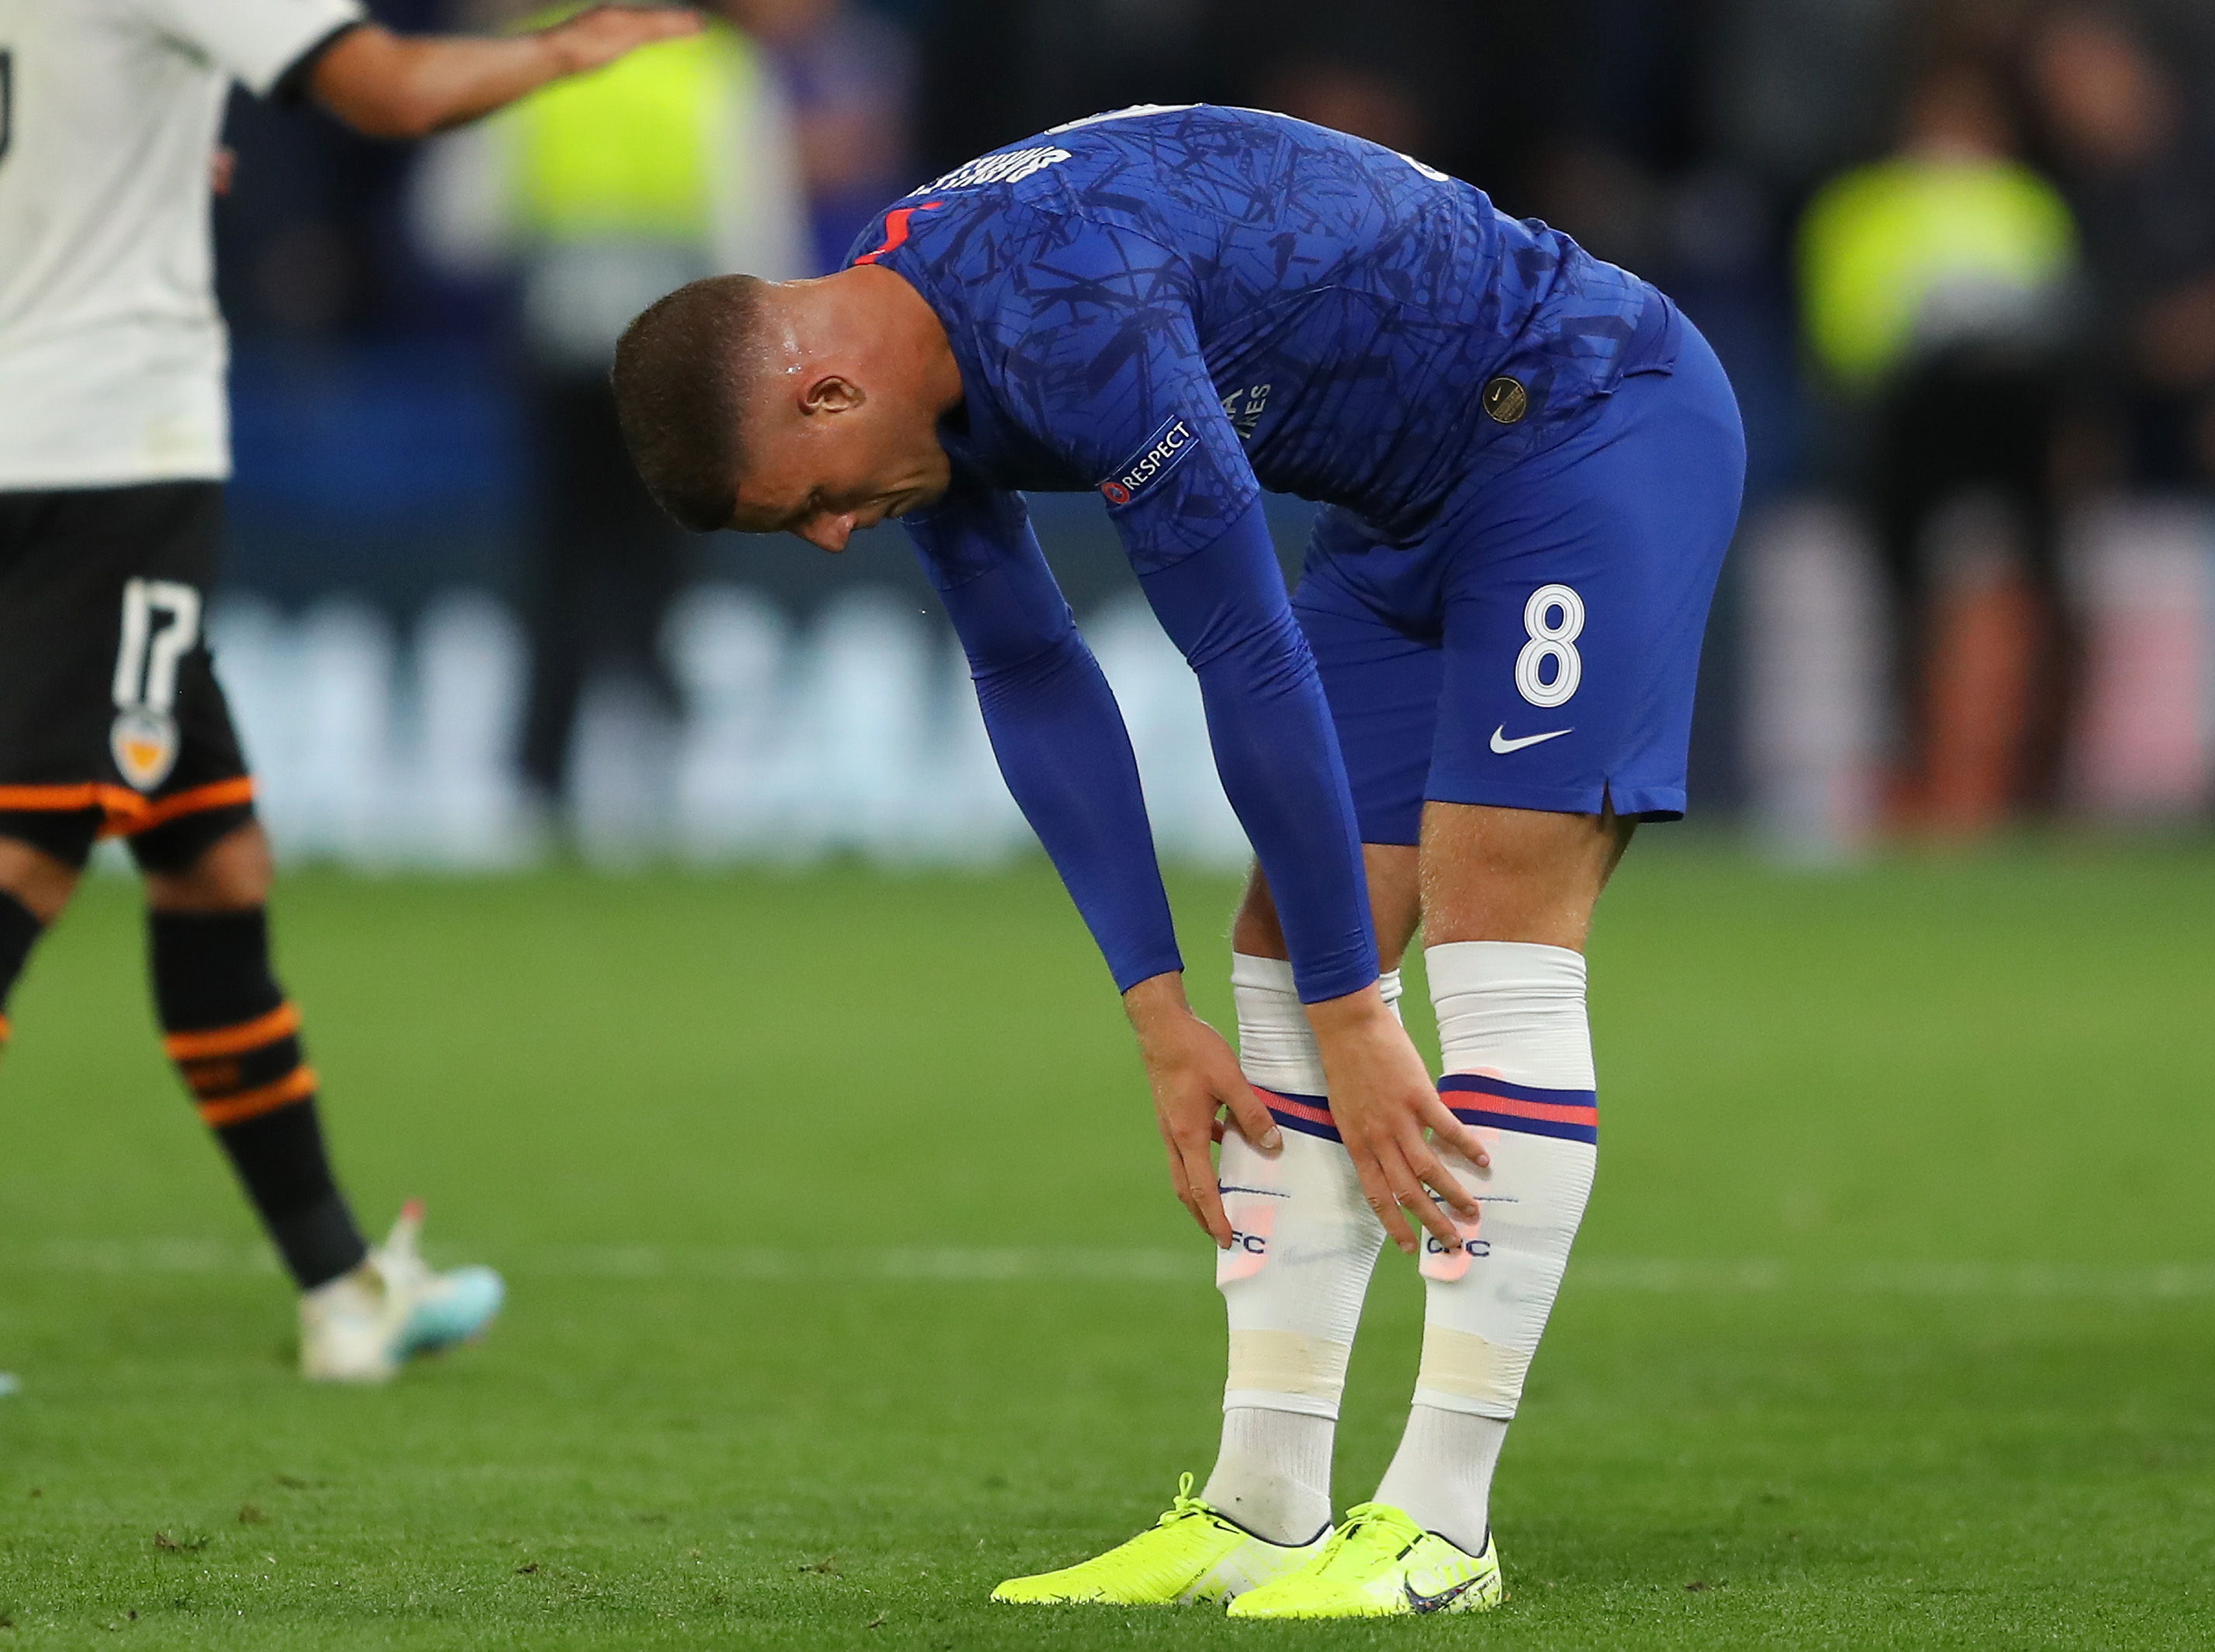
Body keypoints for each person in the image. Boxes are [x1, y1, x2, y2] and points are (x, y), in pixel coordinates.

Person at [612, 104, 1744, 1616]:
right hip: (1408, 502)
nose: (830, 540)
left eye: (809, 502)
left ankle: (1443, 1523)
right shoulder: (909, 351)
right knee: (1282, 945)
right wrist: (1158, 1010)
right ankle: (1266, 1504)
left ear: (825, 394)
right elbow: (1028, 671)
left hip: (1590, 420)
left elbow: (1239, 647)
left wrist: (1364, 1017)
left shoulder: (1063, 304)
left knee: (1490, 912)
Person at [0, 0, 696, 1381]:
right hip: (106, 470)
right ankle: (342, 1293)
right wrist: (562, 50)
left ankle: (341, 1291)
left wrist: (109, 177)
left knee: (214, 868)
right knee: (28, 862)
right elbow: (391, 90)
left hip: (40, 447)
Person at [411, 0, 810, 834]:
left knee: (557, 566)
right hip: (676, 366)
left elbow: (455, 228)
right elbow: (764, 241)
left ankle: (541, 780)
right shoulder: (714, 67)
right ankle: (660, 767)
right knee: (660, 564)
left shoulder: (529, 57)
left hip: (558, 354)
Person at [1796, 59, 2081, 831]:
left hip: (2005, 428)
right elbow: (1843, 332)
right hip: (1915, 425)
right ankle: (1925, 776)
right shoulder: (1866, 206)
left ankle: (2012, 780)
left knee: (2021, 602)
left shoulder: (2026, 203)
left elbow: (2063, 328)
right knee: (1913, 610)